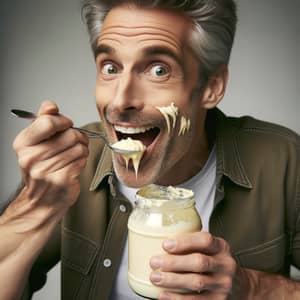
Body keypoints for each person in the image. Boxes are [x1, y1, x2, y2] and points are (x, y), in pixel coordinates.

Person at [0, 0, 299, 299]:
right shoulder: (72, 164)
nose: (120, 101)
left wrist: (253, 288)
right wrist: (33, 207)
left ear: (212, 86)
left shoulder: (283, 161)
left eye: (158, 70)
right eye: (110, 67)